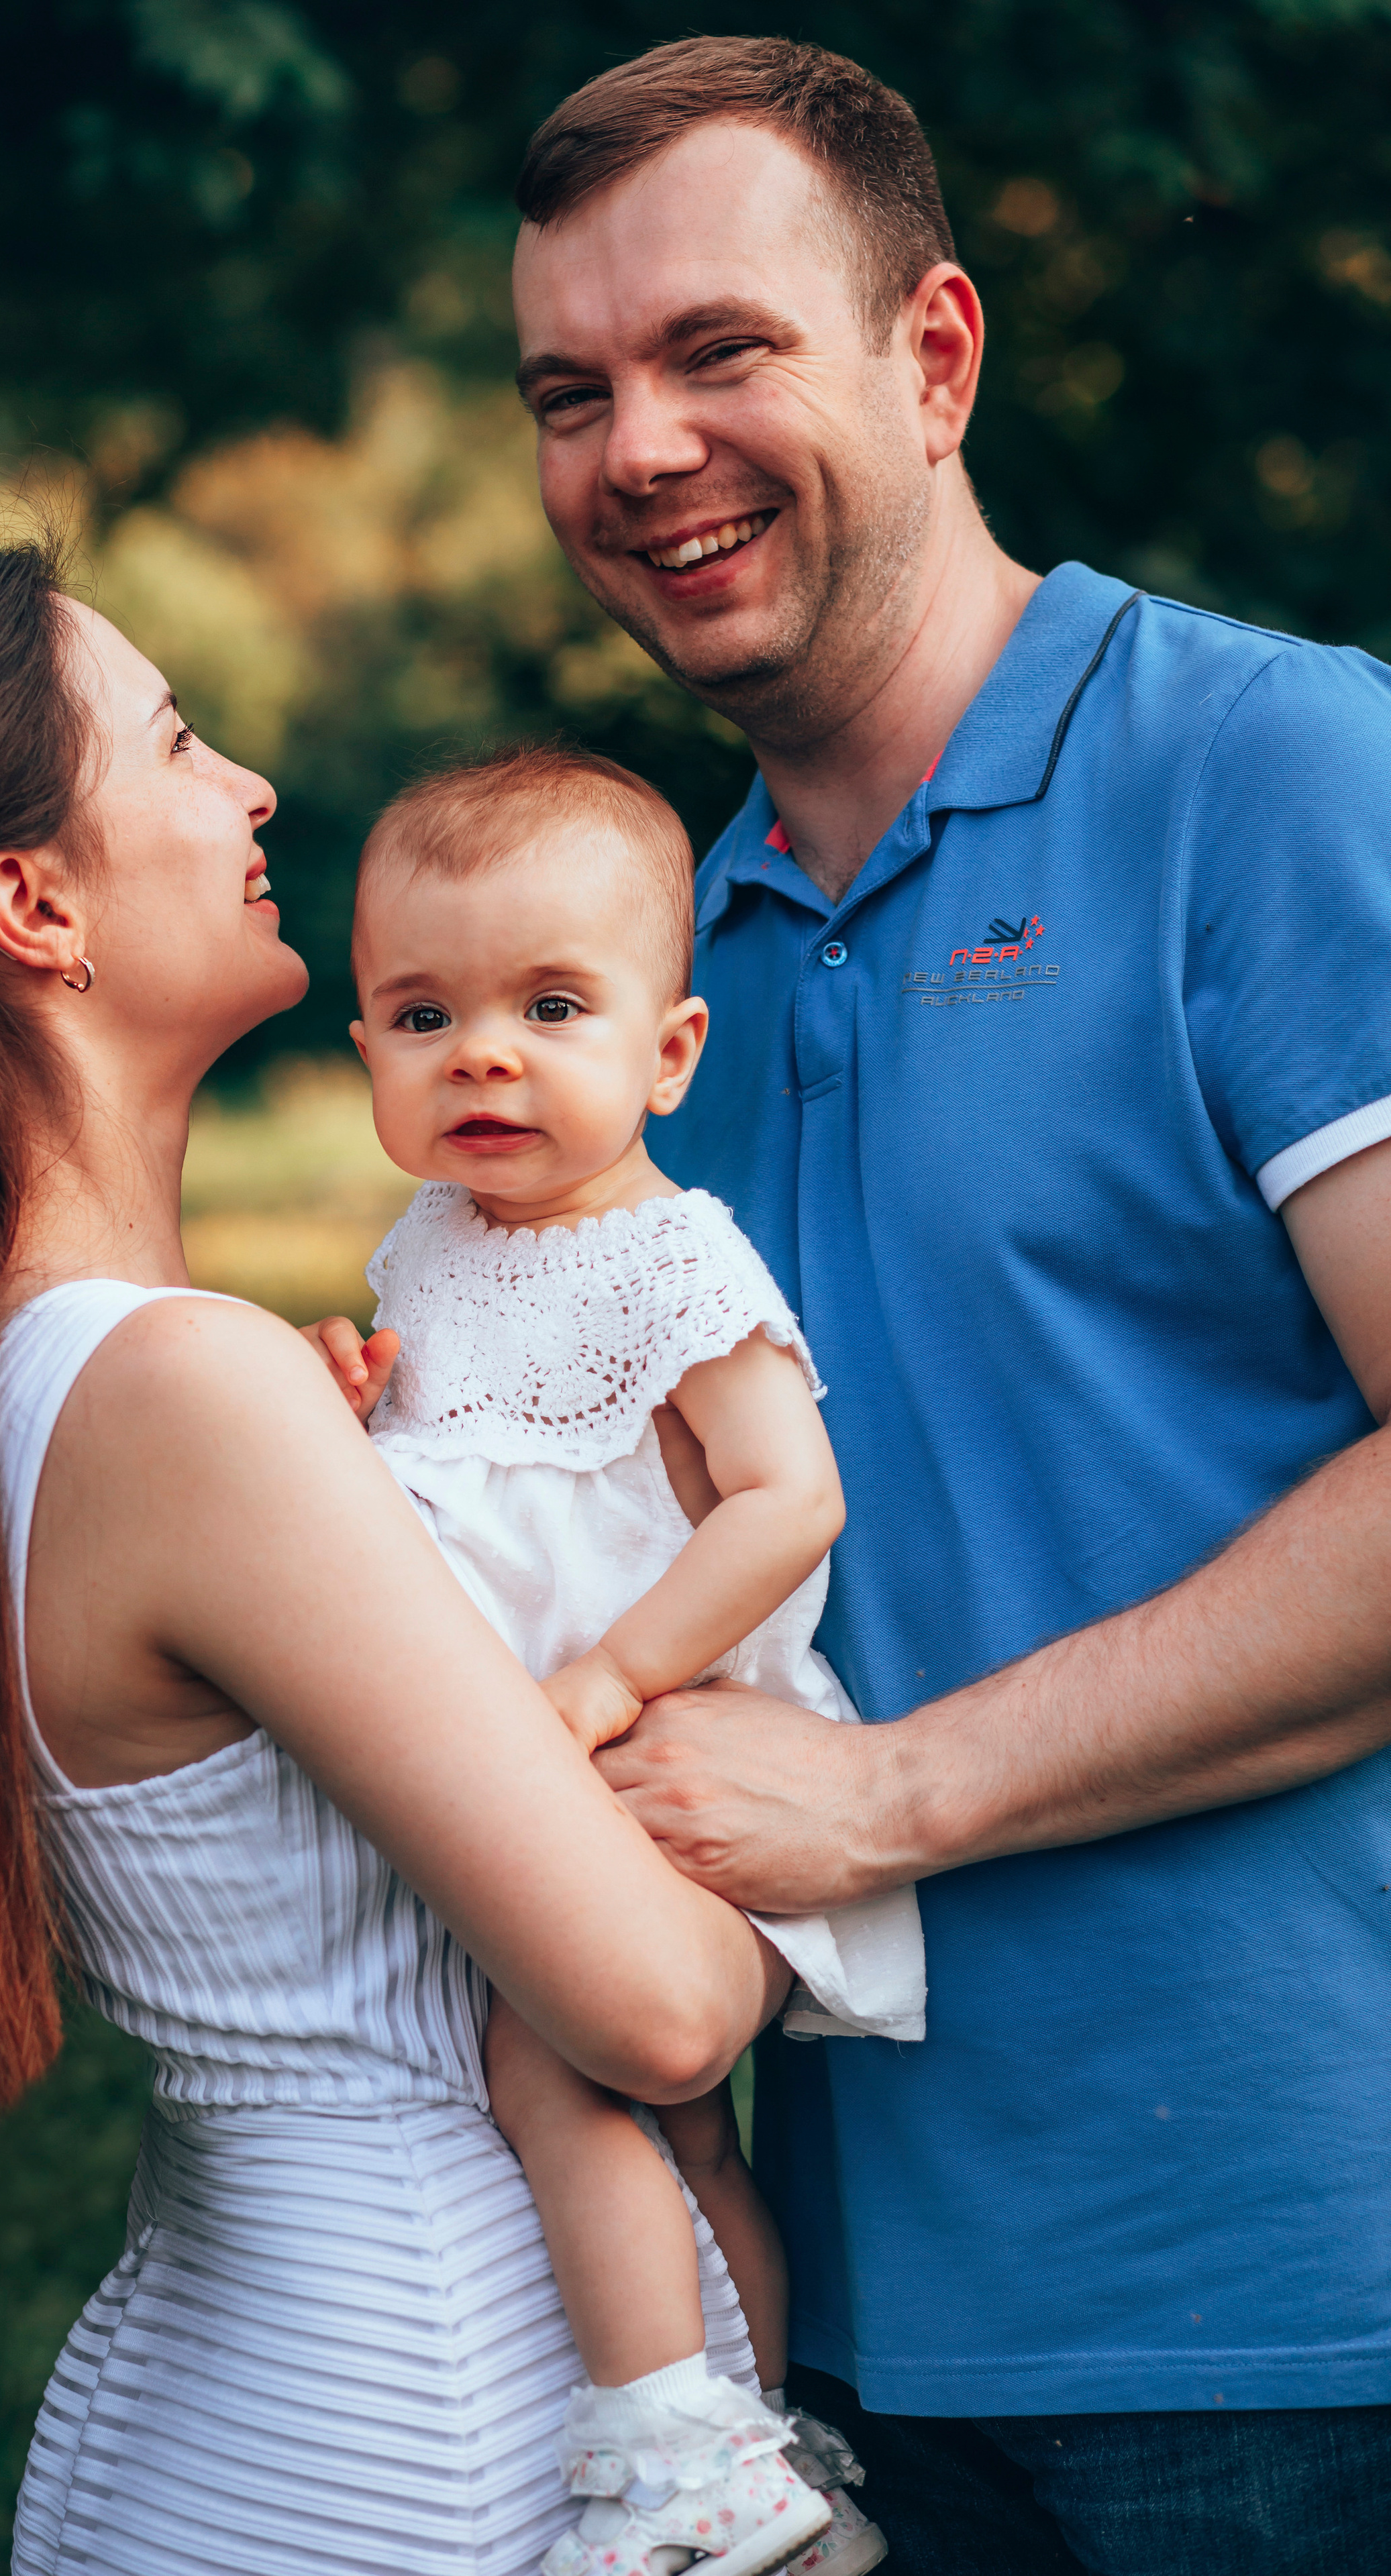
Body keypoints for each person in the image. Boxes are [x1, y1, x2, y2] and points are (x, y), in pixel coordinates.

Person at [0, 539, 796, 2576]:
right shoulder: (185, 1398)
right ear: (33, 906)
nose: (256, 788)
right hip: (425, 2450)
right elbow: (650, 2015)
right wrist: (836, 1858)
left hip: (240, 2410)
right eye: (180, 740)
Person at [507, 34, 1391, 2576]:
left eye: (718, 350)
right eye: (572, 393)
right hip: (848, 2327)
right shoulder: (668, 964)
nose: (639, 450)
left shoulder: (1269, 773)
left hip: (1291, 2316)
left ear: (936, 352)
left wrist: (898, 1797)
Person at [309, 741, 921, 2575]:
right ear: (366, 1057)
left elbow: (785, 1504)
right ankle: (761, 2449)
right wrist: (352, 1425)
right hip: (523, 1773)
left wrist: (612, 1685)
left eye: (549, 1006)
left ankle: (680, 2455)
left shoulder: (675, 1261)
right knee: (680, 2142)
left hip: (668, 1757)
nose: (482, 1053)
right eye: (424, 1015)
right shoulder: (426, 1247)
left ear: (667, 1055)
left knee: (556, 2069)